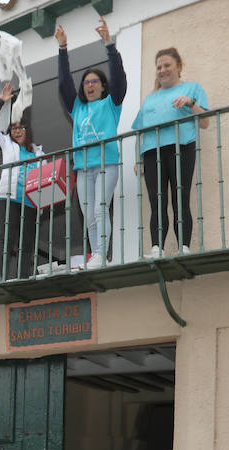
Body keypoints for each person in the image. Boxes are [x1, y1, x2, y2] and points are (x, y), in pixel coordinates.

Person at [56, 18, 126, 270]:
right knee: (88, 215)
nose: (90, 85)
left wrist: (110, 45)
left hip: (106, 163)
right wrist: (63, 49)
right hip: (84, 167)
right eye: (86, 82)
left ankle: (99, 255)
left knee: (99, 209)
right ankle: (96, 255)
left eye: (95, 81)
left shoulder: (111, 104)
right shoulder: (77, 107)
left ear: (103, 86)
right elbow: (64, 83)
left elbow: (119, 78)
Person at [131, 47, 210, 257]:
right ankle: (157, 248)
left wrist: (190, 103)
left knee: (180, 197)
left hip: (181, 147)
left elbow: (205, 122)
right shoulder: (149, 99)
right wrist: (138, 159)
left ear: (178, 67)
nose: (162, 70)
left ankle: (183, 247)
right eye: (158, 67)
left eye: (167, 65)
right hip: (151, 152)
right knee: (157, 201)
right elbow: (140, 132)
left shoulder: (192, 88)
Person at [0, 82, 44, 281]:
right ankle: (0, 277)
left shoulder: (37, 152)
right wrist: (0, 102)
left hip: (30, 202)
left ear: (28, 130)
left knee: (27, 243)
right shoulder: (4, 143)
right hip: (6, 198)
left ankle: (24, 278)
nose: (17, 131)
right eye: (14, 128)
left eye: (21, 127)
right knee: (6, 239)